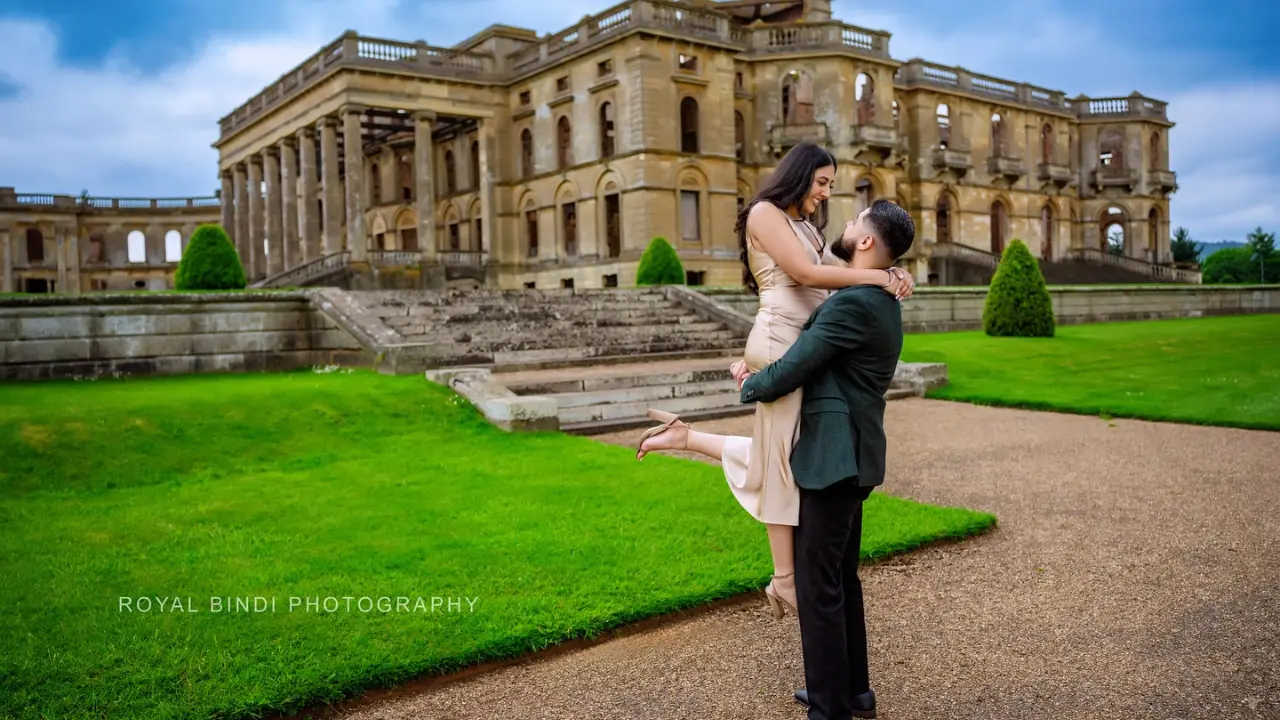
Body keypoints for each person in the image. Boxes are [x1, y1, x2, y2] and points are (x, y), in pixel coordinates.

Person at [644, 199, 916, 719]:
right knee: (841, 578)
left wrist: (750, 383)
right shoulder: (873, 297)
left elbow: (795, 366)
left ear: (864, 242)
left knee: (818, 586)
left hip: (834, 459)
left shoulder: (853, 303)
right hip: (854, 455)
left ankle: (829, 708)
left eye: (856, 220)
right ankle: (854, 693)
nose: (847, 222)